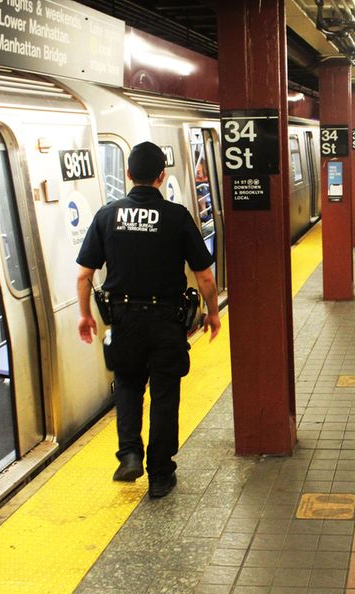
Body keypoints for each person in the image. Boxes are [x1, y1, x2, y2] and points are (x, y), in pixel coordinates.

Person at [76, 141, 221, 499]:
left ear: (128, 174)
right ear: (162, 175)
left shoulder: (107, 215)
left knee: (127, 385)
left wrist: (84, 315)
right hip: (166, 321)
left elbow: (84, 275)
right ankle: (159, 473)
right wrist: (213, 311)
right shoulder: (177, 216)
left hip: (124, 319)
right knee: (164, 394)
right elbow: (204, 275)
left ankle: (128, 454)